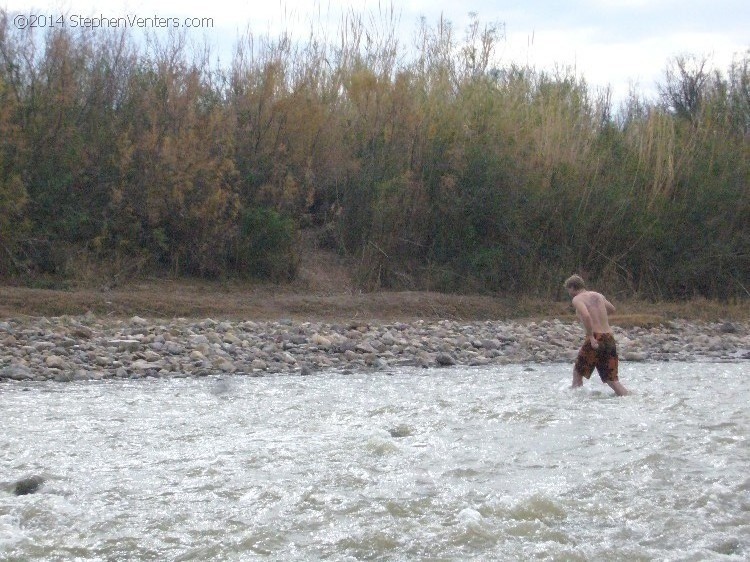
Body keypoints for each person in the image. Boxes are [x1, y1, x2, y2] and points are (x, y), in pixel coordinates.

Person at [564, 274, 630, 396]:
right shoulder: (598, 295)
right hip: (609, 337)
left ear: (573, 287)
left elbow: (586, 316)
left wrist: (590, 336)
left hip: (595, 337)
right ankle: (629, 398)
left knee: (578, 373)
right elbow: (612, 309)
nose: (569, 293)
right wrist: (599, 316)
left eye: (568, 289)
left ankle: (574, 405)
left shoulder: (577, 299)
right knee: (612, 379)